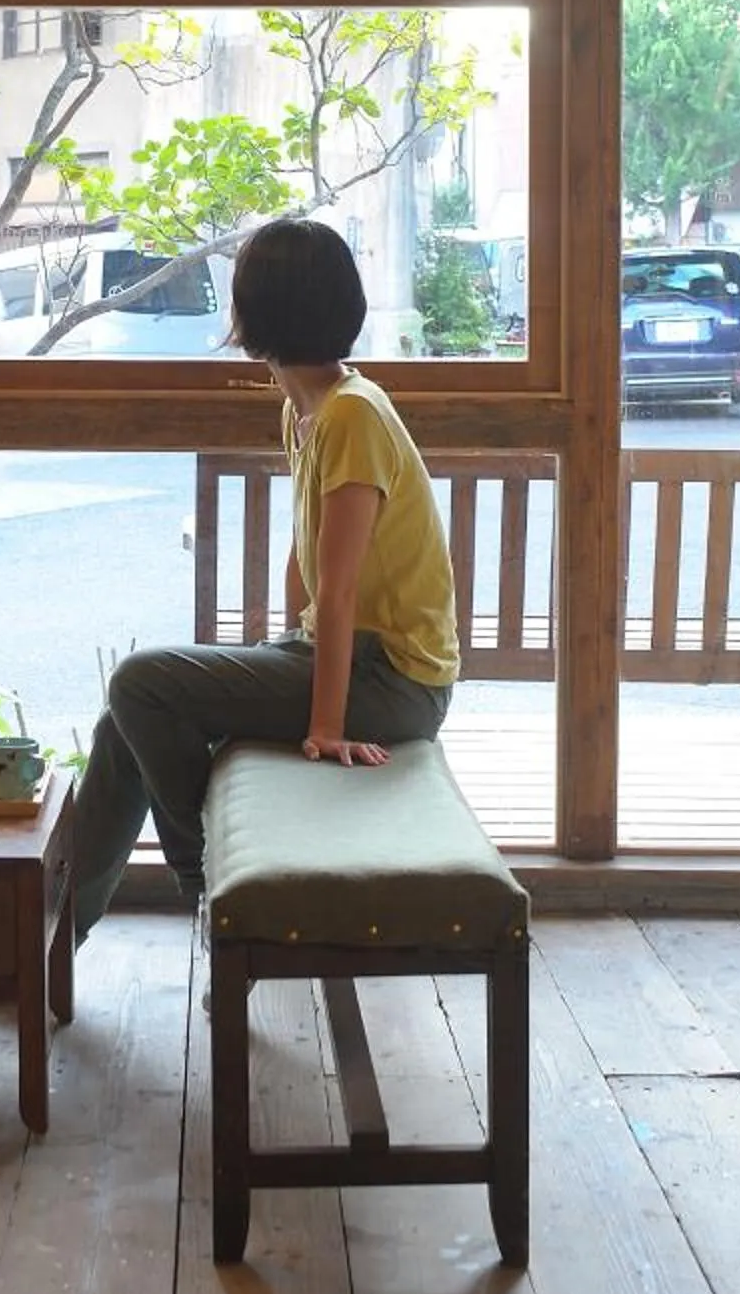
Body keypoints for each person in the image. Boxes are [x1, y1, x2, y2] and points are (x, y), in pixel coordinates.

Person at [70, 216, 459, 939]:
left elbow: (339, 592)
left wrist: (322, 727)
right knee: (123, 722)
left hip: (397, 684)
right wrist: (278, 656)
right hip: (343, 659)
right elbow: (305, 564)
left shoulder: (352, 416)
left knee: (137, 683)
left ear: (262, 312)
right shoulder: (306, 409)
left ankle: (211, 886)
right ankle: (54, 930)